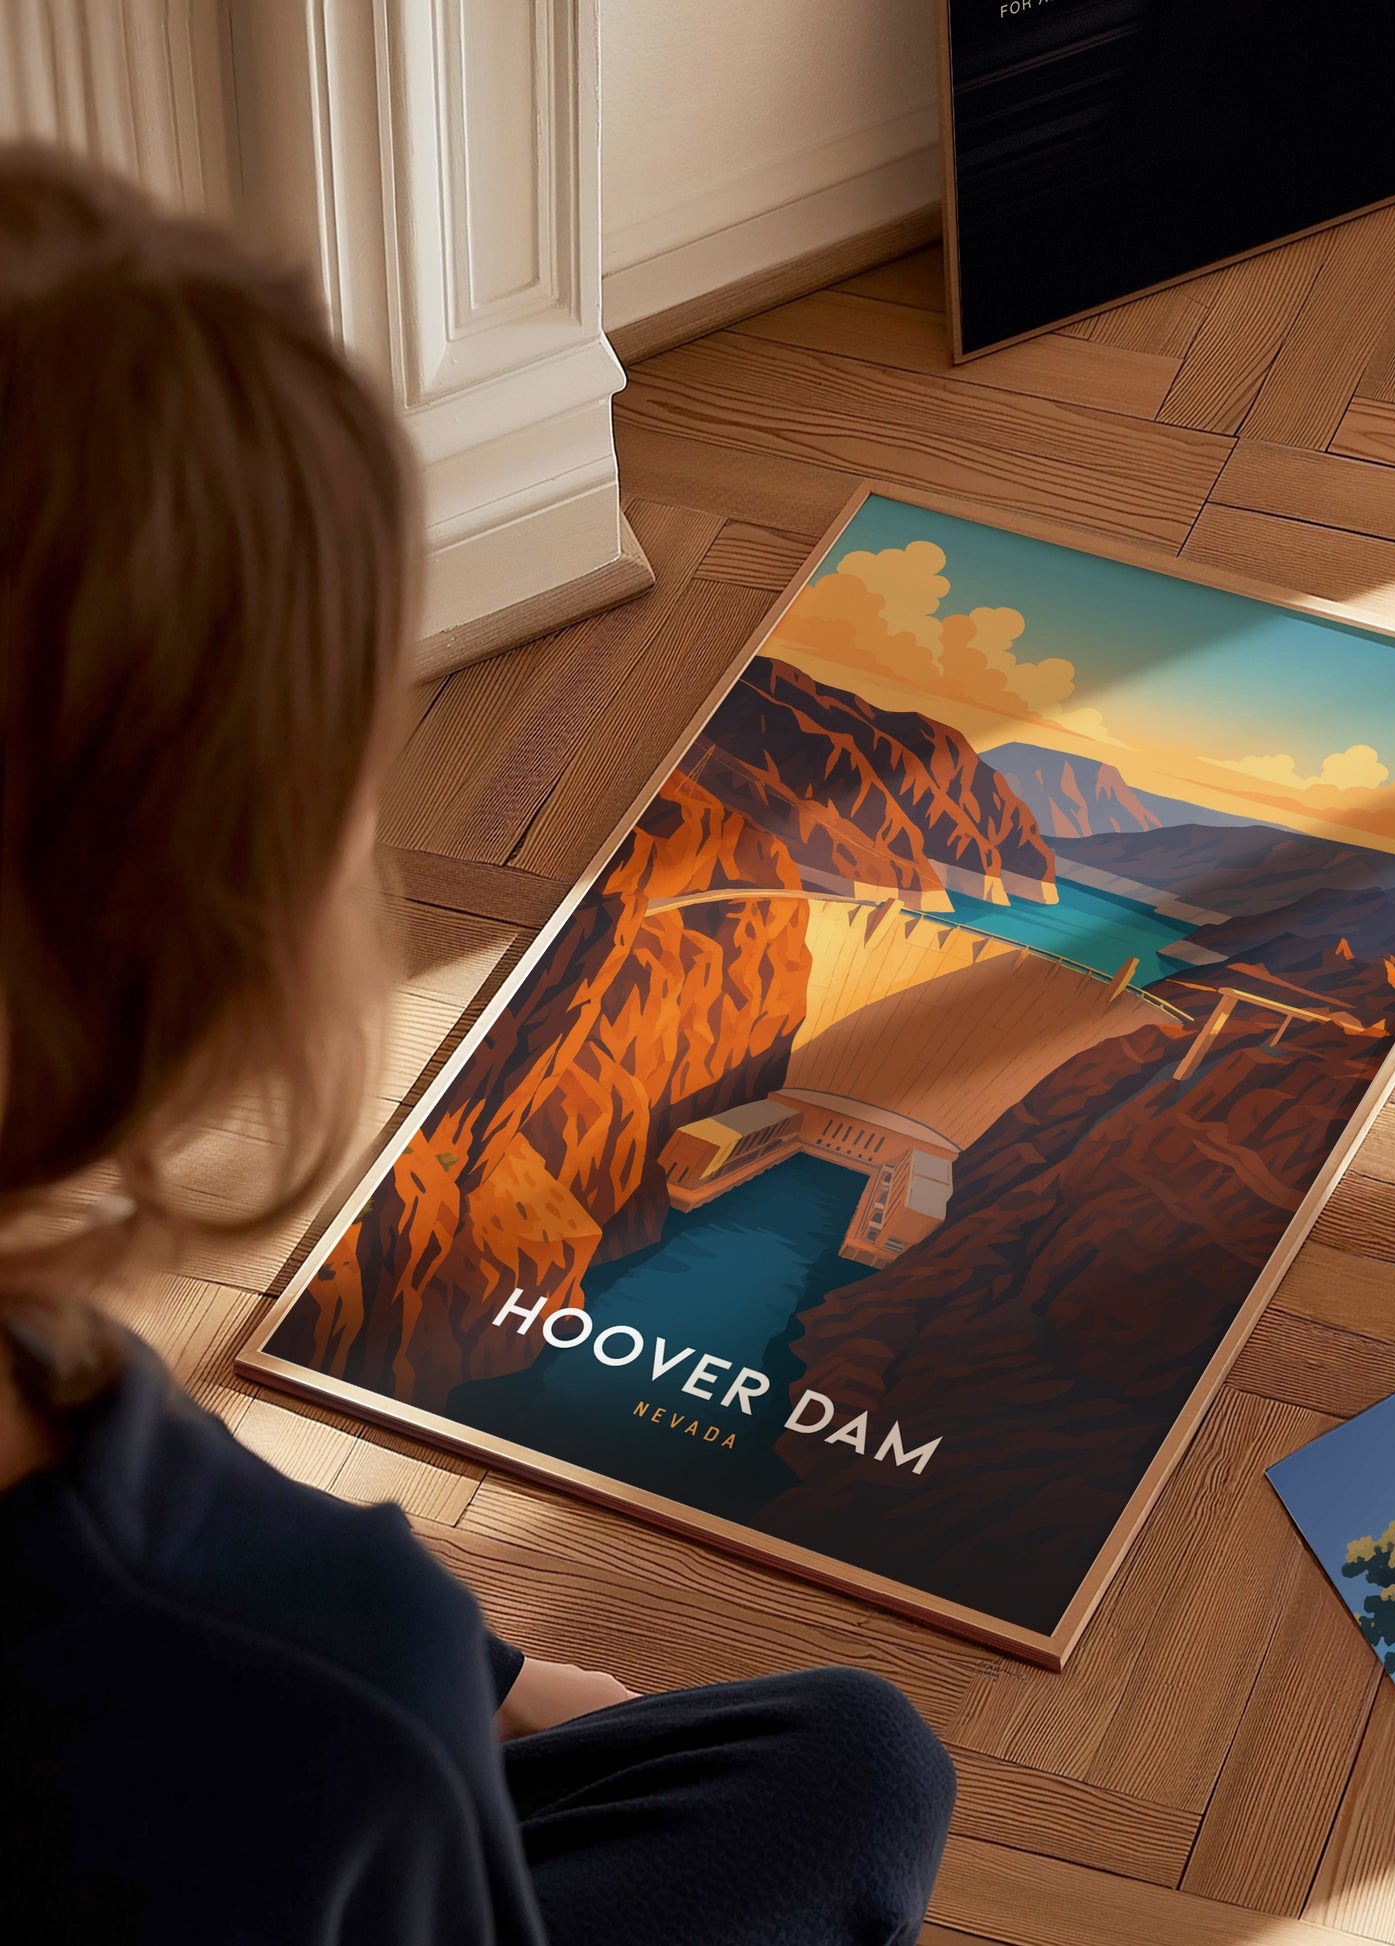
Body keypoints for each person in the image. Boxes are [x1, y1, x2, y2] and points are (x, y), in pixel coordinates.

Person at [0, 145, 956, 1944]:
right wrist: (434, 1685)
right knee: (852, 1770)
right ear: (213, 928)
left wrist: (483, 1667)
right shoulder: (315, 1700)